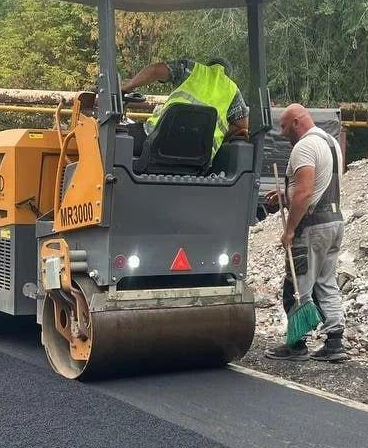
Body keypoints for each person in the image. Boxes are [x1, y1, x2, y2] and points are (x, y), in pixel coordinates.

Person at [266, 103, 348, 363]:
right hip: (333, 222)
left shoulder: (304, 147)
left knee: (297, 285)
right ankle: (335, 342)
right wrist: (285, 196)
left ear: (297, 122)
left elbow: (305, 192)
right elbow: (319, 185)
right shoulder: (331, 143)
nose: (282, 134)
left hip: (311, 227)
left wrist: (289, 230)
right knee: (326, 282)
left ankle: (296, 344)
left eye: (284, 127)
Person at [120, 57, 249, 152]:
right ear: (228, 75)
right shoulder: (233, 90)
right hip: (199, 155)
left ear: (208, 66)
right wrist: (216, 137)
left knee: (114, 138)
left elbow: (155, 70)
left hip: (155, 142)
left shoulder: (191, 69)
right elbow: (241, 126)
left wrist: (125, 88)